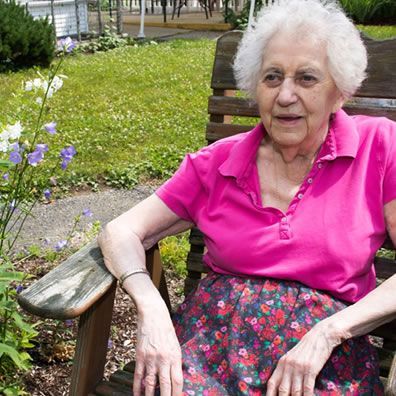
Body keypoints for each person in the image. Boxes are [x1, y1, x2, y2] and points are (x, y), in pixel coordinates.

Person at [98, 0, 396, 394]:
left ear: (339, 92)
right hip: (209, 349)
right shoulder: (217, 164)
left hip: (320, 362)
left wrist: (328, 333)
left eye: (306, 79)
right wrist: (150, 307)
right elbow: (121, 231)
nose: (285, 95)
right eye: (272, 77)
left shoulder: (379, 147)